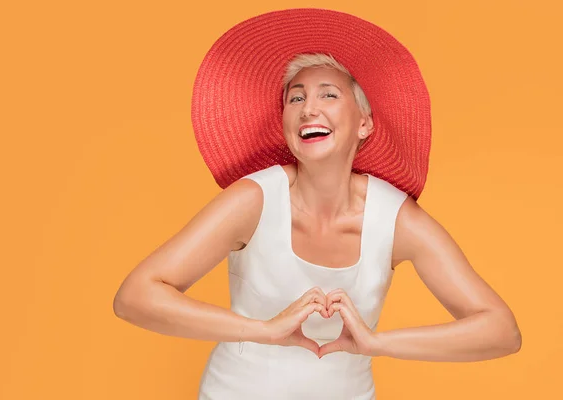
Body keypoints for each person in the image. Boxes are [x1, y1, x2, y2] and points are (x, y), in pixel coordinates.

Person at [113, 8, 522, 400]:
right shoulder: (253, 199)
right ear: (287, 124)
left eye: (329, 94)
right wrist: (263, 330)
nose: (309, 108)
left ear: (364, 123)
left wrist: (375, 343)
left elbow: (501, 331)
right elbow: (135, 297)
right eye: (296, 98)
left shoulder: (395, 218)